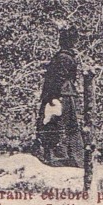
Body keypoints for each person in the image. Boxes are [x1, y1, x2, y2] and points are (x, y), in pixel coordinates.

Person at [37, 26, 84, 167]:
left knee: (53, 124)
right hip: (66, 95)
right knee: (69, 126)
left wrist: (52, 97)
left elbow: (58, 79)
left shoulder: (63, 58)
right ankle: (75, 158)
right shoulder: (68, 57)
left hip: (60, 95)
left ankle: (58, 158)